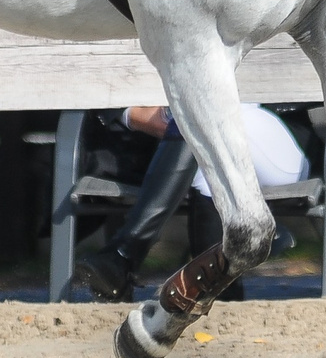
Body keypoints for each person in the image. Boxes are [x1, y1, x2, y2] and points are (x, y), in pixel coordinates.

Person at [71, 102, 309, 300]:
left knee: (200, 111)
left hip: (275, 139)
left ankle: (123, 255)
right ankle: (220, 297)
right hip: (195, 139)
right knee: (203, 144)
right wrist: (132, 113)